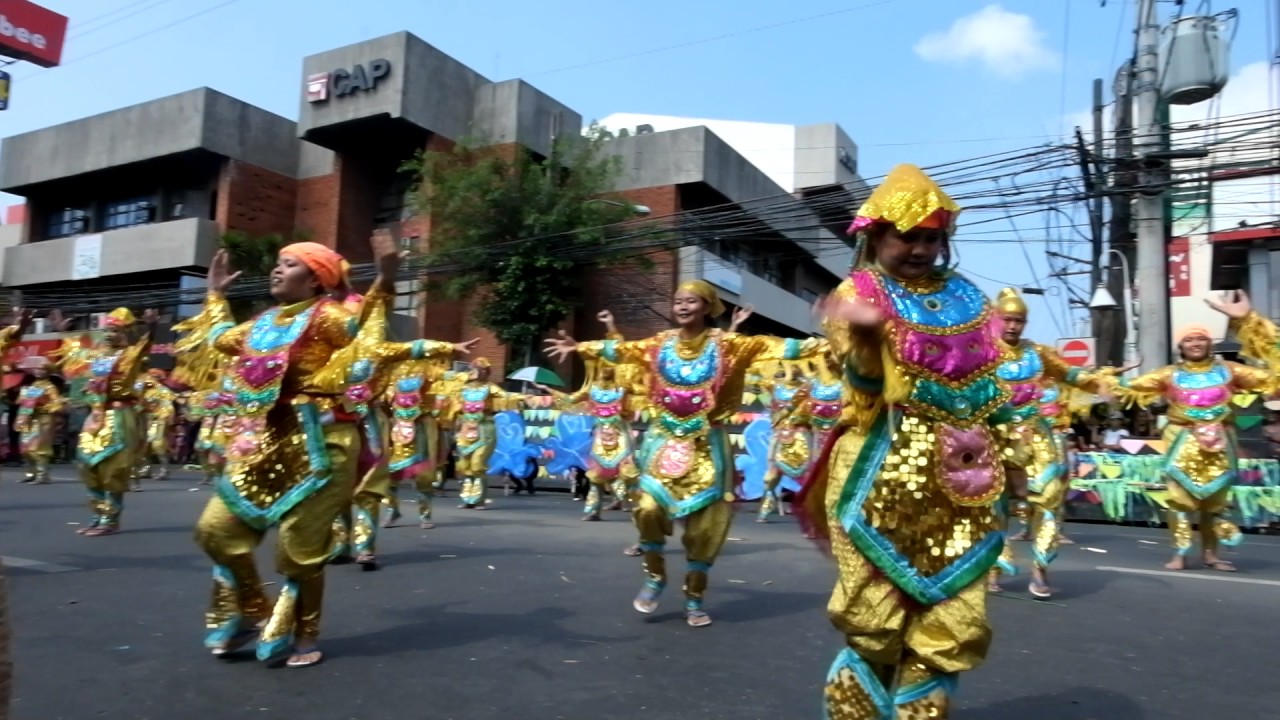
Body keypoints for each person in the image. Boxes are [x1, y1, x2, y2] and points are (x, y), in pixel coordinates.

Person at [177, 238, 469, 668]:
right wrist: (216, 294)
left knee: (301, 547)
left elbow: (364, 335)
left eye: (289, 264)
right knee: (215, 530)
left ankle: (303, 632)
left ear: (314, 278)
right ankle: (253, 607)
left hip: (322, 444)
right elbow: (221, 339)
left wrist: (386, 281)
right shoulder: (263, 323)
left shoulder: (328, 316)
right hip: (263, 443)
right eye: (277, 263)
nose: (277, 270)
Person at [798, 164, 1010, 719]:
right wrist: (868, 341)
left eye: (931, 238)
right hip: (879, 478)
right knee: (875, 626)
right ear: (876, 236)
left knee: (950, 626)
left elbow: (993, 391)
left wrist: (1014, 462)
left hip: (963, 486)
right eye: (907, 236)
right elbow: (868, 388)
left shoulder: (970, 297)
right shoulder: (858, 293)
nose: (920, 249)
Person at [546, 281, 819, 627]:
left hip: (708, 444)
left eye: (691, 301)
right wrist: (582, 345)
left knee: (703, 529)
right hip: (663, 440)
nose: (682, 306)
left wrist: (826, 343)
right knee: (646, 508)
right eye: (678, 301)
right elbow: (626, 350)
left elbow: (773, 347)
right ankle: (655, 576)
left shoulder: (728, 344)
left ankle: (694, 598)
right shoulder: (660, 343)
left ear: (706, 306)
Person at [1114, 312, 1274, 572]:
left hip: (1219, 444)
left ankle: (1211, 555)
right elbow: (1131, 387)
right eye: (1189, 340)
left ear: (1210, 343)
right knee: (1179, 502)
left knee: (1215, 503)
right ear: (1181, 346)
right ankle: (1180, 554)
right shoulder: (1169, 375)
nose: (1195, 343)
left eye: (1201, 339)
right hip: (1182, 442)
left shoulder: (1229, 370)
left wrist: (1255, 328)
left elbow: (1268, 378)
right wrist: (1108, 377)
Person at [987, 288, 1109, 599]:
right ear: (996, 320)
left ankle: (1040, 567)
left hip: (1037, 435)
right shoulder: (981, 351)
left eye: (1019, 321)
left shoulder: (1037, 353)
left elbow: (1071, 373)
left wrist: (1102, 381)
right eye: (1008, 320)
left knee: (1050, 498)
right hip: (995, 436)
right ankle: (994, 566)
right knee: (993, 504)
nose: (1013, 326)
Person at [51, 307, 158, 536]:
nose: (110, 334)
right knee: (88, 465)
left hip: (119, 416)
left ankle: (110, 520)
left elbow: (144, 347)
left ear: (127, 333)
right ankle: (96, 516)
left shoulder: (130, 354)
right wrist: (64, 334)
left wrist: (151, 328)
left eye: (116, 330)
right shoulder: (96, 355)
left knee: (113, 469)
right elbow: (74, 353)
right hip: (95, 416)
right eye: (108, 329)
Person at [537, 311, 640, 521]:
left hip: (620, 434)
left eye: (610, 364)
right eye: (603, 363)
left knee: (625, 471)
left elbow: (618, 349)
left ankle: (633, 506)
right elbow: (571, 400)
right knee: (596, 474)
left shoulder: (624, 388)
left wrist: (611, 325)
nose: (606, 368)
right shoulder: (592, 389)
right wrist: (550, 390)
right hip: (601, 436)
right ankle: (593, 510)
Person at [442, 357, 526, 510]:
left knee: (477, 464)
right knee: (464, 465)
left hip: (485, 429)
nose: (476, 371)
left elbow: (505, 396)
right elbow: (451, 398)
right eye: (474, 368)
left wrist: (525, 397)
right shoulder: (463, 388)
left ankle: (479, 499)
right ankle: (467, 499)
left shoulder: (490, 387)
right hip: (465, 429)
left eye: (481, 369)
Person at [757, 363, 813, 523]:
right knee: (772, 473)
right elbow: (762, 383)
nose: (794, 369)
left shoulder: (807, 387)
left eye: (797, 366)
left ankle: (812, 513)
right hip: (780, 434)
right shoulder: (775, 387)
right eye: (791, 366)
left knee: (810, 473)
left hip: (801, 434)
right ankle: (766, 508)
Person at [14, 357, 65, 484]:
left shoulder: (50, 387)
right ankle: (31, 473)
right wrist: (22, 399)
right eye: (36, 369)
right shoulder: (30, 387)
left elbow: (57, 404)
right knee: (25, 448)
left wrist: (43, 404)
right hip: (29, 418)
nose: (38, 371)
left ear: (47, 371)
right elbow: (20, 401)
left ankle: (43, 475)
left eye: (42, 369)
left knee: (40, 447)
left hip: (44, 419)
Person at [135, 369, 177, 482]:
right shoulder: (143, 390)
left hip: (159, 419)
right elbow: (138, 404)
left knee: (158, 444)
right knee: (144, 445)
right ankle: (146, 468)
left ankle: (164, 469)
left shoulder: (164, 391)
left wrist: (164, 417)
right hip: (146, 419)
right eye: (151, 376)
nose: (151, 379)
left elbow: (168, 406)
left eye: (155, 377)